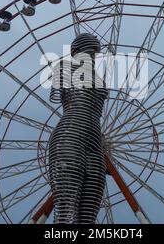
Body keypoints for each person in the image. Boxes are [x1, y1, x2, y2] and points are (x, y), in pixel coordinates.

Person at [48, 33, 108, 224]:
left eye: (95, 52)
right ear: (76, 51)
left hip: (96, 142)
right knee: (66, 208)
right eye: (89, 50)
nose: (93, 55)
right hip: (69, 134)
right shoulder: (63, 68)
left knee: (89, 214)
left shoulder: (99, 78)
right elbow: (56, 96)